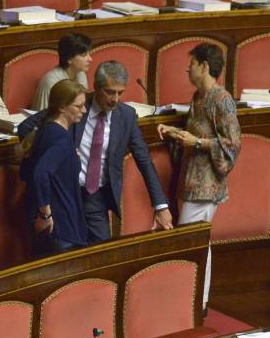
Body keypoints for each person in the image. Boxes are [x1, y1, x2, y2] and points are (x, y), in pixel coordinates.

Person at [19, 60, 172, 241]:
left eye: (120, 93)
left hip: (95, 197)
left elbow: (144, 160)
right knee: (61, 255)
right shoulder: (75, 104)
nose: (115, 99)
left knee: (102, 253)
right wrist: (57, 153)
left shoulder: (126, 116)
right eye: (110, 92)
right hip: (63, 195)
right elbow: (25, 127)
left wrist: (160, 205)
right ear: (96, 87)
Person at [157, 42, 241, 307]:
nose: (187, 68)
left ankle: (195, 303)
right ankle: (195, 302)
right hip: (190, 181)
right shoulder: (198, 97)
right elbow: (194, 133)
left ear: (205, 66)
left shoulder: (222, 99)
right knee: (194, 244)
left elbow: (233, 145)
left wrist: (196, 143)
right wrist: (172, 131)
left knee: (192, 245)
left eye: (191, 64)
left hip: (206, 186)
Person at [23, 79, 90, 253]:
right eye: (78, 106)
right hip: (61, 227)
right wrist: (45, 214)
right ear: (62, 107)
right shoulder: (61, 138)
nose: (84, 110)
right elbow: (40, 173)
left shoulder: (46, 130)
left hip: (56, 225)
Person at [30, 32, 91, 111]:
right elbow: (42, 116)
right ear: (69, 59)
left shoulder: (81, 74)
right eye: (84, 55)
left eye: (89, 54)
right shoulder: (51, 81)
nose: (90, 59)